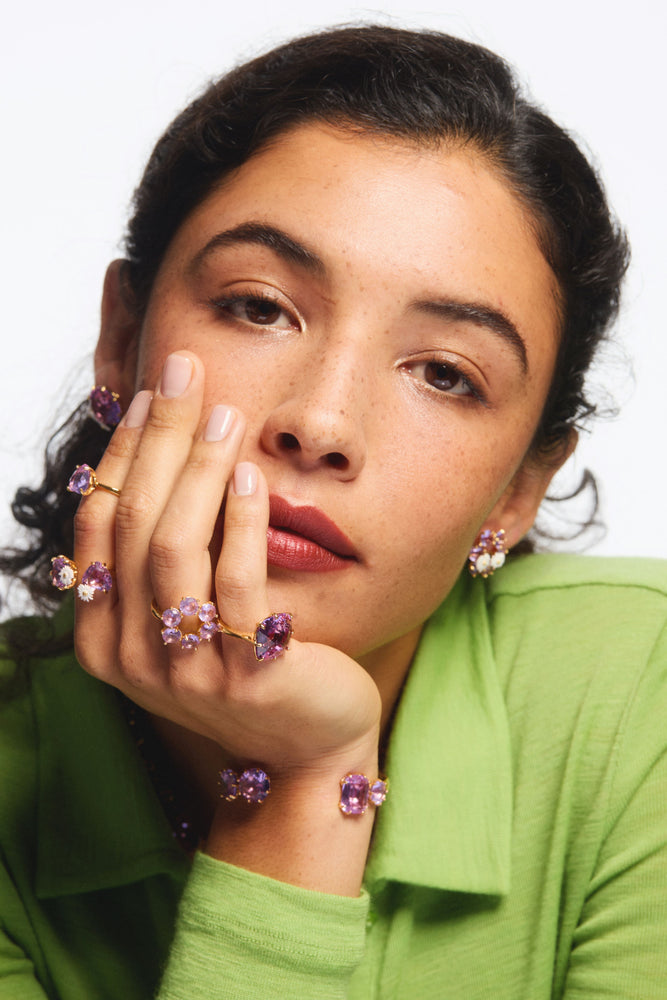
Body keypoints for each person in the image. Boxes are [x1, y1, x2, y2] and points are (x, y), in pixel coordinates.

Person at [1, 23, 665, 1000]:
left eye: (444, 373)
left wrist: (313, 774)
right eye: (260, 306)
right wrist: (298, 790)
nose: (320, 422)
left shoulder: (639, 694)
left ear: (518, 490)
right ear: (123, 336)